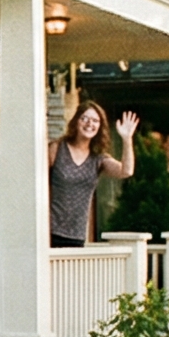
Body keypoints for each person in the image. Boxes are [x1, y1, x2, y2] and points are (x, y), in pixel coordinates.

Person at [49, 98, 138, 247]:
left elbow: (126, 171)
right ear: (76, 121)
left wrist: (127, 139)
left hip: (76, 235)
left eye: (95, 120)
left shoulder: (98, 159)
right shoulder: (57, 148)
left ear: (100, 126)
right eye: (85, 118)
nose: (89, 124)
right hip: (49, 232)